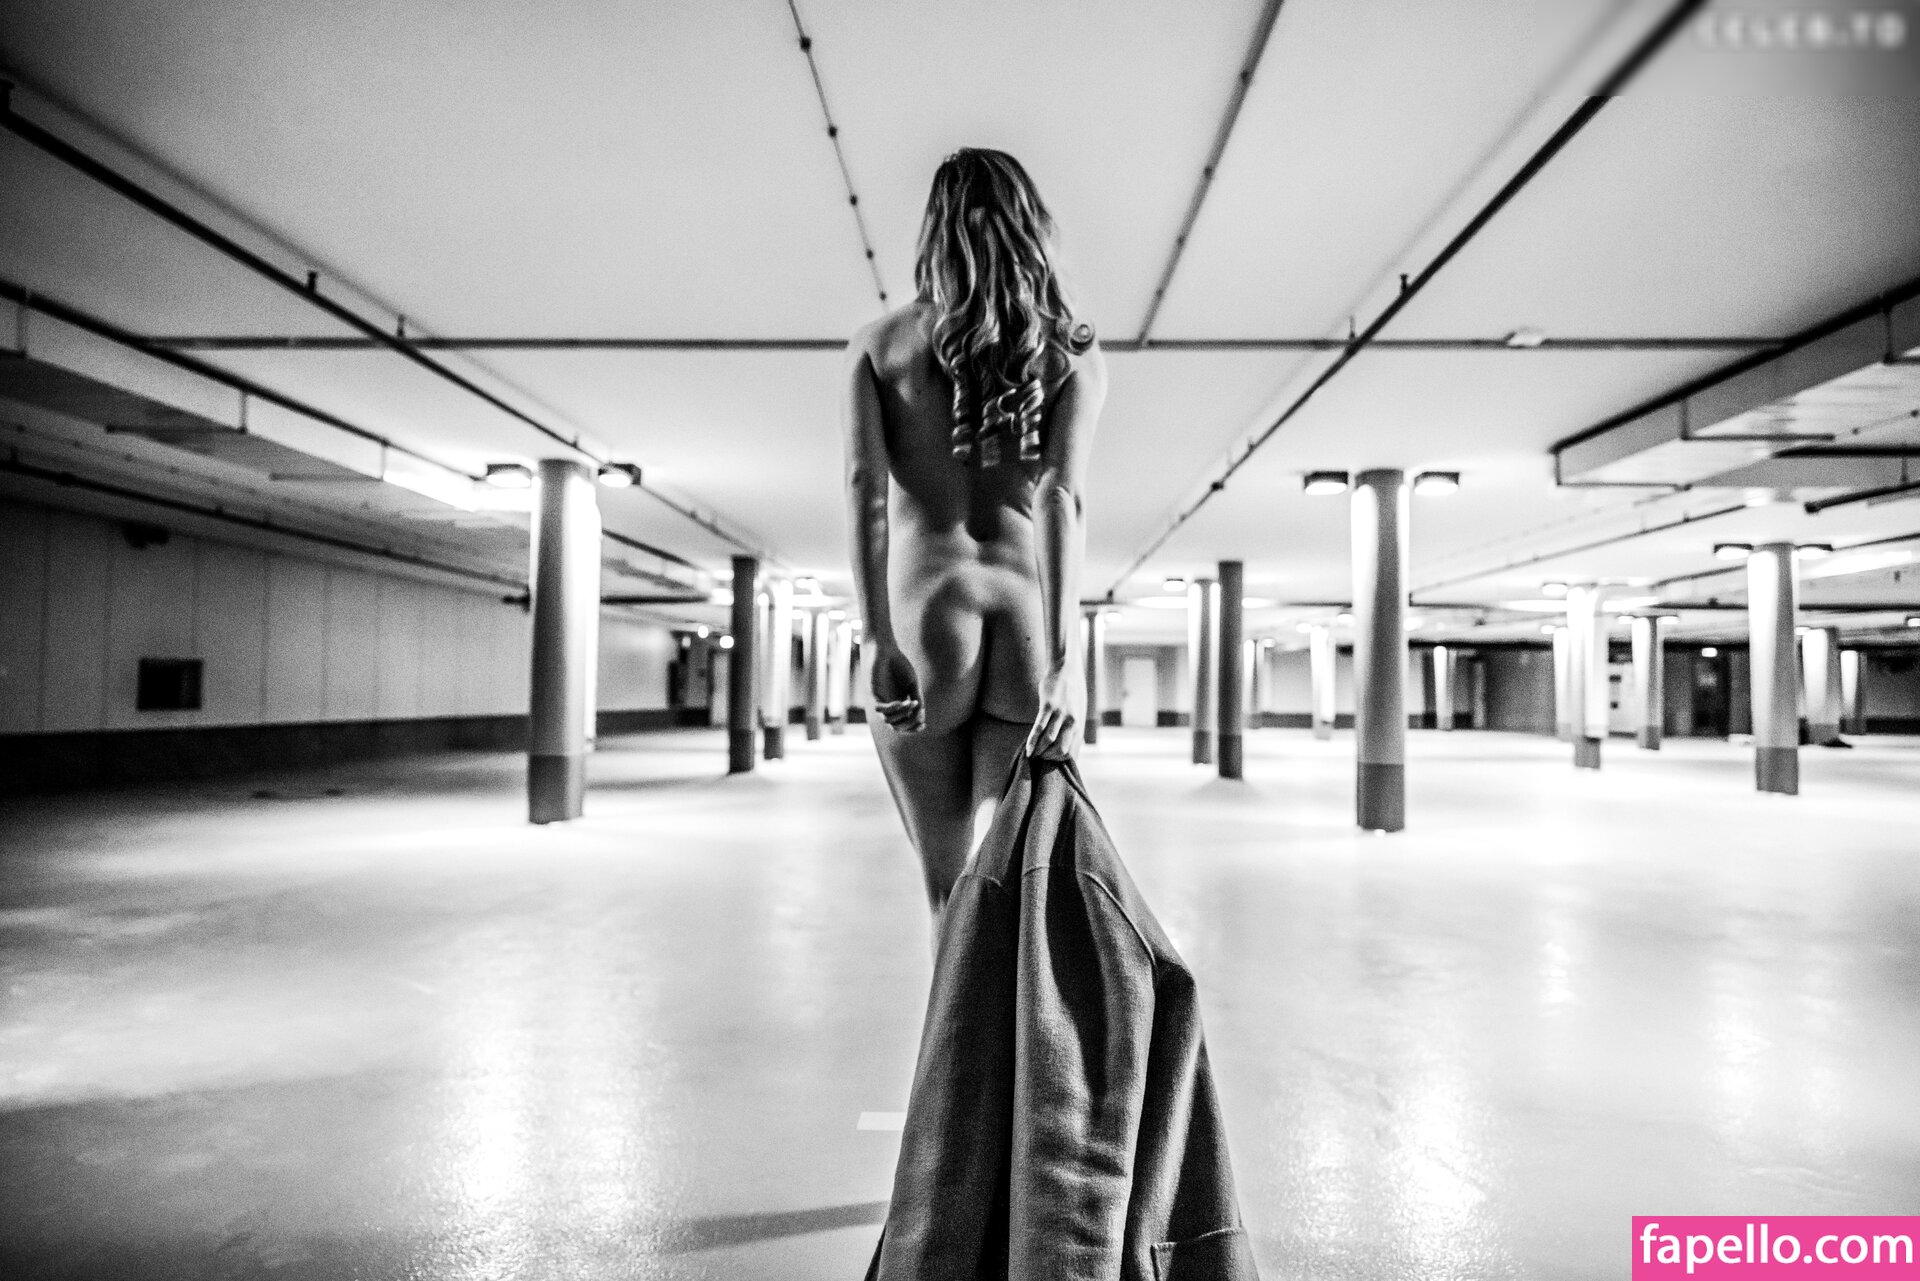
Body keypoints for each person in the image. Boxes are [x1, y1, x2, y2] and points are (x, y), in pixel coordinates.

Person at [842, 147, 1106, 934]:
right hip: (1027, 622)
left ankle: (952, 1020)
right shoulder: (1070, 351)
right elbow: (1061, 498)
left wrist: (875, 638)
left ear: (935, 228)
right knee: (1010, 898)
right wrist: (1064, 662)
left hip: (924, 622)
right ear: (1031, 225)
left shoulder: (880, 346)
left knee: (946, 894)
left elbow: (865, 492)